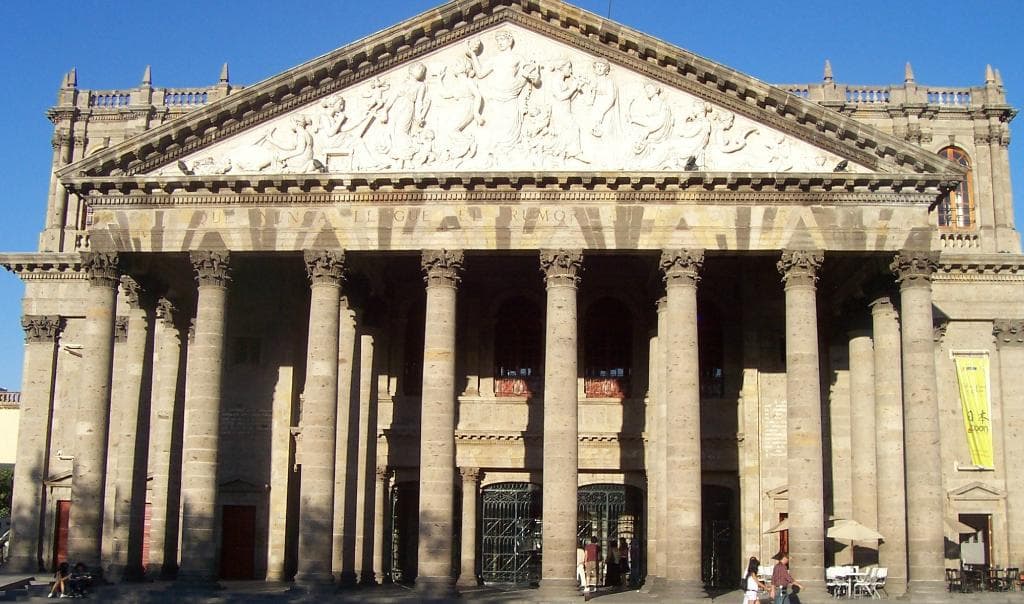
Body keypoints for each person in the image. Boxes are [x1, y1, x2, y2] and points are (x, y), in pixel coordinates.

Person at [583, 536, 601, 600]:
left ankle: (587, 586)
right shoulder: (598, 547)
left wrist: (585, 561)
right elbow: (599, 555)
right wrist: (599, 561)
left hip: (589, 561)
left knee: (588, 574)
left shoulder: (587, 546)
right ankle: (595, 586)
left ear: (591, 540)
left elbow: (586, 554)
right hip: (595, 561)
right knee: (595, 574)